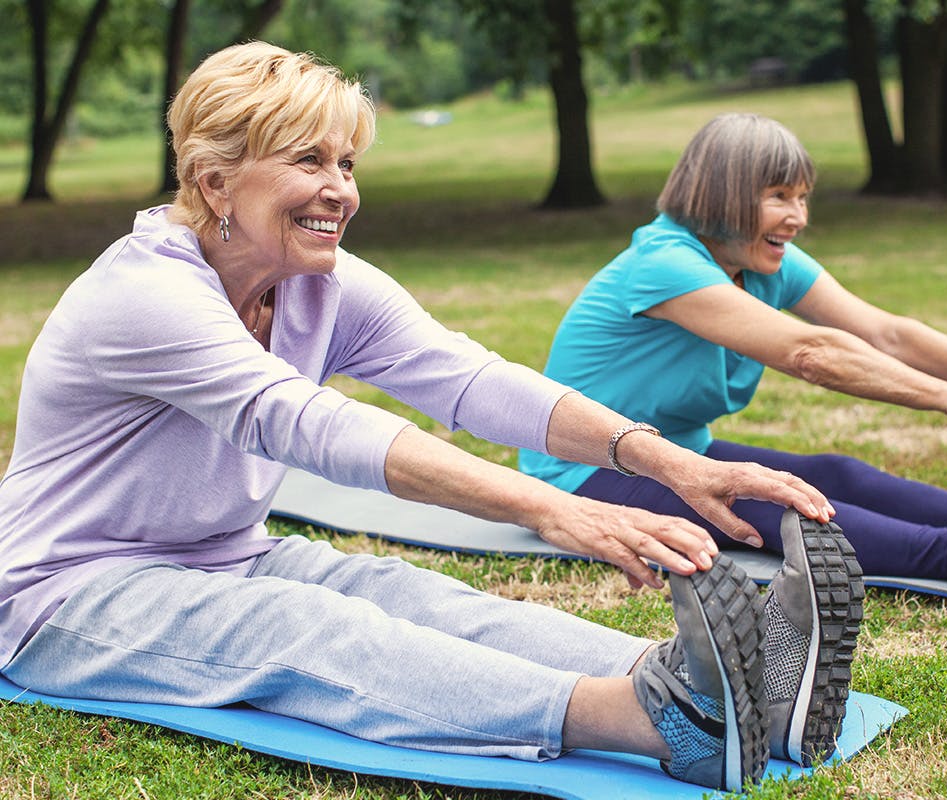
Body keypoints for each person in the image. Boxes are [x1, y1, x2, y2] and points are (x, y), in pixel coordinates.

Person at [0, 48, 853, 792]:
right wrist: (554, 507)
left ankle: (746, 689)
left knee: (402, 592)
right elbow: (309, 424)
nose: (340, 190)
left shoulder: (320, 279)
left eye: (348, 163)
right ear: (214, 180)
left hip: (226, 552)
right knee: (305, 628)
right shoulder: (146, 295)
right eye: (308, 161)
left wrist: (666, 463)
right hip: (67, 588)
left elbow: (471, 381)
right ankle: (654, 721)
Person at [520, 112, 947, 600]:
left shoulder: (757, 262)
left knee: (836, 474)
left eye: (804, 198)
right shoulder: (665, 265)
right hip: (586, 473)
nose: (799, 217)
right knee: (779, 502)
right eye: (780, 196)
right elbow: (810, 352)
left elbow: (886, 333)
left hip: (674, 455)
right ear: (723, 195)